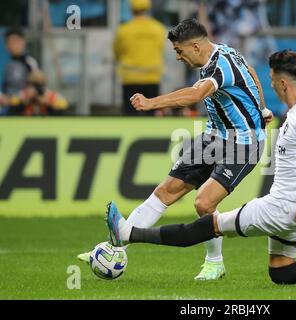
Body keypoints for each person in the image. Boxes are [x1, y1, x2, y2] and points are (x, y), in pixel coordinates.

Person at [105, 50, 296, 287]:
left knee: (205, 226)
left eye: (272, 79)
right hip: (295, 212)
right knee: (282, 272)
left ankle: (128, 233)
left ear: (283, 83)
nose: (269, 83)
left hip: (281, 208)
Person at [79, 18, 273, 280]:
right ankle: (112, 249)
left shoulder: (219, 66)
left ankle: (215, 262)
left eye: (179, 51)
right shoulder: (225, 52)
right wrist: (261, 108)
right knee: (165, 191)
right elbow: (250, 71)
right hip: (214, 136)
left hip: (244, 143)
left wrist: (151, 103)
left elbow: (195, 95)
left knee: (204, 203)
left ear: (195, 46)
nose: (178, 57)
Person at [113, 0, 166, 116]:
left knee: (130, 115)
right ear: (147, 8)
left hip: (130, 79)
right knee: (151, 115)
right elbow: (161, 49)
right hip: (152, 78)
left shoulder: (123, 30)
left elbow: (117, 52)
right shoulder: (158, 28)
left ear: (131, 9)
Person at [1, 27, 39, 115]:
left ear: (23, 42)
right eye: (10, 43)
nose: (14, 45)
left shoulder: (29, 62)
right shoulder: (8, 66)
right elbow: (5, 89)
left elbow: (35, 88)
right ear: (7, 46)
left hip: (26, 108)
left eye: (16, 42)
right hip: (9, 108)